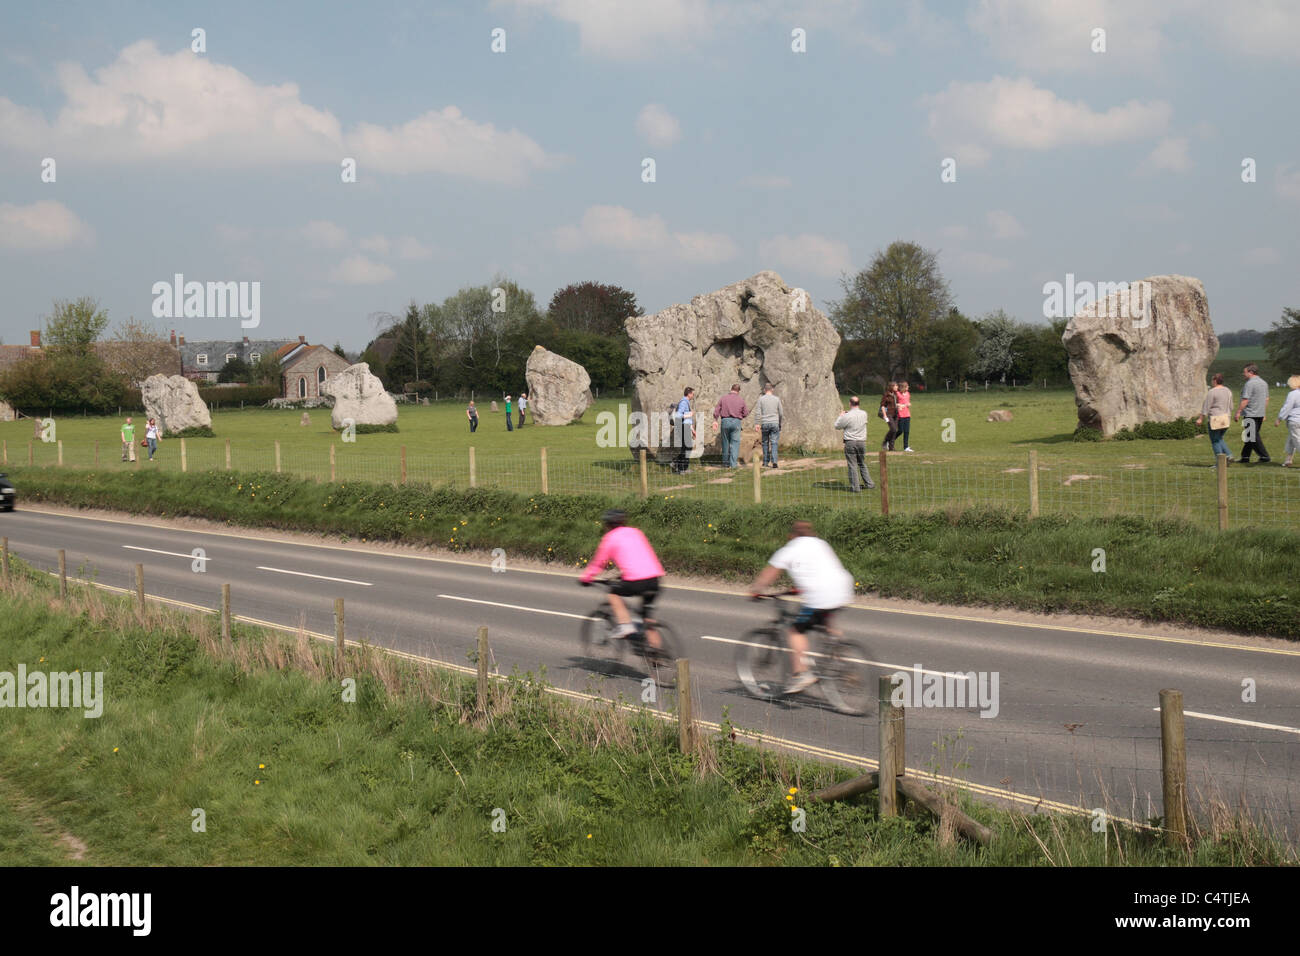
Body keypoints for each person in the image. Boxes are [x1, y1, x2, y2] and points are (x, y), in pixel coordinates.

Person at [748, 520, 855, 695]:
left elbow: (770, 573)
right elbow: (819, 569)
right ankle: (844, 660)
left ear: (792, 536)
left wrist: (756, 590)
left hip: (819, 594)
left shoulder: (788, 550)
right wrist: (797, 588)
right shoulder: (821, 543)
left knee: (796, 630)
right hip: (843, 588)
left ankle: (801, 673)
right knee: (827, 623)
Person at [579, 509, 666, 651]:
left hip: (636, 580)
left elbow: (599, 562)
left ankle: (625, 625)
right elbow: (638, 556)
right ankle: (657, 654)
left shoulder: (610, 538)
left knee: (613, 594)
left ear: (607, 525)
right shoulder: (636, 532)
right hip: (654, 578)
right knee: (646, 618)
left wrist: (586, 578)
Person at [834, 396, 874, 491]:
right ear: (859, 403)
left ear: (850, 403)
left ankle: (855, 487)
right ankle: (869, 483)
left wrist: (841, 416)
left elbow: (837, 426)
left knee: (852, 464)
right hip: (861, 442)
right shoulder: (864, 414)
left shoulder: (847, 416)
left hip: (850, 442)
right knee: (862, 463)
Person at [1236, 363, 1270, 463]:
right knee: (1250, 436)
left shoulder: (1249, 384)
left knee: (1252, 437)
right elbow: (1267, 399)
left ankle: (1264, 457)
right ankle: (1245, 457)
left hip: (1250, 414)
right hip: (1260, 413)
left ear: (1251, 372)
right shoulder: (1264, 383)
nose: (1243, 374)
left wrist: (1238, 412)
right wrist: (1264, 412)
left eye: (1245, 372)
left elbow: (1245, 400)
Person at [1195, 373, 1233, 464]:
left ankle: (1221, 462)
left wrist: (1200, 419)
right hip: (1226, 419)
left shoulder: (1212, 392)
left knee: (1215, 441)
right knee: (1219, 439)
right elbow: (1231, 406)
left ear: (1215, 381)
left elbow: (1206, 407)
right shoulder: (1228, 391)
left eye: (1212, 380)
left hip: (1215, 419)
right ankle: (1228, 456)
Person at [712, 383, 750, 468]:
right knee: (735, 443)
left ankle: (725, 464)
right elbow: (746, 413)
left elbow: (717, 410)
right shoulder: (741, 400)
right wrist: (741, 416)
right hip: (736, 422)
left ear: (731, 389)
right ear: (738, 391)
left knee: (725, 443)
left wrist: (715, 420)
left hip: (725, 421)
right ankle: (733, 465)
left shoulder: (723, 398)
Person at [1275, 374, 1300, 467]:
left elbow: (1287, 408)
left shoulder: (1292, 394)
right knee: (1291, 440)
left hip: (1295, 421)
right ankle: (1288, 460)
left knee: (1297, 441)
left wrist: (1279, 419)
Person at [756, 382, 784, 468]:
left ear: (764, 390)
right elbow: (781, 413)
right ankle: (774, 461)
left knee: (765, 443)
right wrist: (779, 423)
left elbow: (758, 412)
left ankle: (765, 462)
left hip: (765, 423)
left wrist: (757, 423)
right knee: (774, 442)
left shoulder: (761, 399)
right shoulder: (777, 399)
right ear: (772, 389)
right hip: (774, 422)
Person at [671, 387, 696, 474]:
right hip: (683, 427)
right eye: (693, 394)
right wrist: (690, 414)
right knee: (687, 447)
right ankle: (678, 465)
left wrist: (692, 430)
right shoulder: (684, 402)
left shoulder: (686, 402)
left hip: (686, 427)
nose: (693, 396)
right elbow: (678, 416)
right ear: (689, 394)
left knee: (687, 447)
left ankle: (682, 467)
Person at [880, 383, 900, 452]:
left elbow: (895, 403)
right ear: (892, 387)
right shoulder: (886, 395)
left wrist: (899, 406)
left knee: (895, 431)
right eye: (896, 386)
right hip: (888, 414)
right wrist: (885, 415)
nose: (897, 387)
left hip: (896, 414)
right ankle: (885, 441)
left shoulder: (895, 394)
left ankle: (891, 447)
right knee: (893, 429)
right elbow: (882, 406)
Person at [897, 381, 914, 452]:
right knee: (900, 430)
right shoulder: (897, 394)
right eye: (907, 386)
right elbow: (895, 403)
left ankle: (906, 447)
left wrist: (908, 404)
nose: (908, 387)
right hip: (900, 414)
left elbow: (907, 402)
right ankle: (890, 440)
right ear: (903, 387)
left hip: (907, 414)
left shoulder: (908, 394)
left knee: (906, 431)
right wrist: (901, 405)